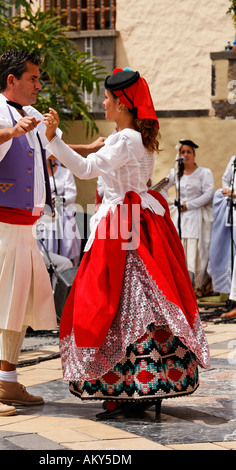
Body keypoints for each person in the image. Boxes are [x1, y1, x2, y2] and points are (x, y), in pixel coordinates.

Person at [43, 68, 210, 419]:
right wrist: (54, 140)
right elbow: (91, 153)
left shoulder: (125, 139)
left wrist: (54, 138)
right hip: (137, 218)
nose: (103, 103)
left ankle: (136, 384)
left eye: (106, 98)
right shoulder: (131, 137)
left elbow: (87, 168)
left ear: (121, 104)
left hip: (122, 223)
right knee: (137, 300)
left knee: (122, 299)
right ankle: (140, 382)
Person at [0, 50, 60, 416]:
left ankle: (7, 380)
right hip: (0, 225)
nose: (38, 85)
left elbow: (59, 147)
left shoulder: (30, 114)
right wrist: (12, 130)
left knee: (17, 309)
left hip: (23, 228)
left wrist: (94, 151)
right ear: (11, 81)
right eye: (33, 78)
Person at [161, 140, 214, 290]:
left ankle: (194, 287)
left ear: (194, 155)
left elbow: (208, 194)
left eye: (188, 152)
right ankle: (180, 287)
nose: (185, 155)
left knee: (194, 252)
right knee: (179, 250)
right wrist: (174, 202)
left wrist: (189, 205)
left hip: (196, 215)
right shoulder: (175, 173)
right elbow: (161, 188)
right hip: (180, 217)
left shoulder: (204, 172)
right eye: (182, 152)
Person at [37, 155, 81, 266]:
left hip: (61, 211)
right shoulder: (38, 172)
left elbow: (72, 195)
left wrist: (58, 201)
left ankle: (64, 262)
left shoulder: (65, 172)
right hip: (42, 212)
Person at [208, 155, 236, 319]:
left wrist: (234, 193)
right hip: (232, 210)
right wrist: (228, 193)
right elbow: (227, 179)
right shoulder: (234, 159)